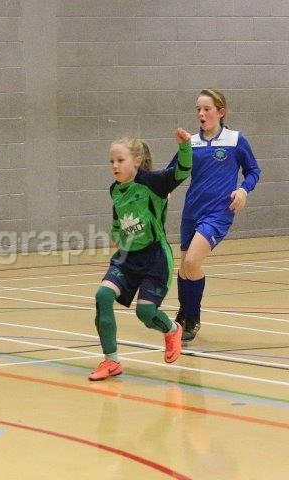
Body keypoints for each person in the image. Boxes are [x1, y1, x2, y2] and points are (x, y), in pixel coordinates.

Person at [89, 129, 192, 381]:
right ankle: (111, 360)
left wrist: (185, 147)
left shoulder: (153, 183)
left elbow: (182, 171)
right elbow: (118, 218)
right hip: (127, 258)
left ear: (136, 161)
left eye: (120, 160)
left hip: (155, 258)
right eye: (111, 161)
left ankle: (172, 329)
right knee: (103, 295)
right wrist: (115, 234)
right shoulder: (115, 190)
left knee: (145, 313)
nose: (114, 166)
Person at [170, 89, 261, 341]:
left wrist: (243, 190)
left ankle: (193, 317)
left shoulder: (235, 140)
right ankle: (184, 311)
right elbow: (173, 172)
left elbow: (253, 170)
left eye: (206, 109)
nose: (201, 113)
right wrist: (161, 190)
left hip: (218, 212)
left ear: (221, 112)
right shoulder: (191, 143)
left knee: (192, 263)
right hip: (191, 211)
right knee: (184, 268)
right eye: (198, 109)